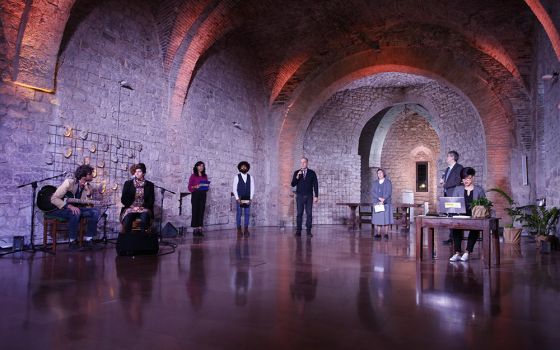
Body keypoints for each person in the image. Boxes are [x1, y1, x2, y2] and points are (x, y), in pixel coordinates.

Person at [49, 164, 100, 250]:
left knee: (95, 211)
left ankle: (88, 240)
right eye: (91, 174)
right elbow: (54, 199)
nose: (92, 176)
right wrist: (69, 206)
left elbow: (87, 204)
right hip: (59, 208)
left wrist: (88, 193)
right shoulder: (69, 182)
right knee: (76, 212)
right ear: (86, 174)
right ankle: (72, 242)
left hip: (76, 208)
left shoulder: (88, 186)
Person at [449, 167, 485, 262]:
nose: (465, 181)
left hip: (474, 216)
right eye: (464, 179)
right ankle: (457, 253)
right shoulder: (458, 189)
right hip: (460, 215)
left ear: (473, 177)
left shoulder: (479, 190)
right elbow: (453, 204)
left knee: (475, 228)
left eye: (468, 178)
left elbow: (484, 205)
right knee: (455, 228)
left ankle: (467, 252)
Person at [120, 163, 155, 235]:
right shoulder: (128, 183)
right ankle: (128, 242)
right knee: (127, 219)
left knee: (145, 219)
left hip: (144, 208)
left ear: (144, 173)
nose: (137, 173)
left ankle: (142, 241)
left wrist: (141, 207)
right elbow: (123, 199)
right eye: (136, 172)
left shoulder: (150, 185)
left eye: (139, 171)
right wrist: (133, 206)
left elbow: (151, 200)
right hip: (131, 208)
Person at [291, 157, 319, 237]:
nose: (302, 164)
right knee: (299, 213)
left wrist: (316, 196)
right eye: (301, 162)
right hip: (299, 196)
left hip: (309, 196)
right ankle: (298, 231)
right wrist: (297, 176)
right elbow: (293, 184)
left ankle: (308, 231)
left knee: (309, 213)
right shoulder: (297, 172)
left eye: (304, 162)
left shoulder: (312, 173)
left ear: (307, 163)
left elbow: (315, 184)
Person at [441, 150, 464, 244]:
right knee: (450, 216)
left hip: (455, 194)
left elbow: (458, 181)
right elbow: (445, 179)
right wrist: (442, 181)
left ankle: (457, 238)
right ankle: (451, 238)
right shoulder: (447, 169)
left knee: (455, 217)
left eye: (448, 156)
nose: (446, 158)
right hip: (447, 194)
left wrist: (445, 185)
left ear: (453, 157)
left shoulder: (459, 168)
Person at [232, 161, 255, 237]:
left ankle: (246, 229)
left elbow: (252, 188)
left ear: (247, 168)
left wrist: (251, 198)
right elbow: (234, 189)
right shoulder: (237, 177)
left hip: (247, 197)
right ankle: (239, 229)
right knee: (239, 213)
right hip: (240, 197)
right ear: (239, 168)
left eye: (245, 166)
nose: (243, 168)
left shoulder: (250, 177)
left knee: (247, 213)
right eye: (242, 167)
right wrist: (237, 198)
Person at [371, 168, 394, 239]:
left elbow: (389, 192)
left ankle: (386, 234)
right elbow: (373, 192)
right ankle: (378, 234)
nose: (379, 174)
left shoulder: (388, 182)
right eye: (378, 173)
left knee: (386, 218)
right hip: (377, 202)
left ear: (383, 173)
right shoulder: (375, 183)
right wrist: (379, 198)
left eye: (381, 173)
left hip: (386, 203)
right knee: (378, 219)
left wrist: (383, 199)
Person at [188, 161, 209, 237]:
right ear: (196, 167)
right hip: (195, 194)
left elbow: (206, 186)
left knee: (201, 211)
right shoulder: (193, 176)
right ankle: (195, 229)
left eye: (202, 166)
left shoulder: (205, 176)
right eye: (200, 166)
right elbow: (189, 187)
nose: (201, 167)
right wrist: (195, 186)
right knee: (195, 211)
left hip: (203, 194)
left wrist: (207, 186)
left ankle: (200, 229)